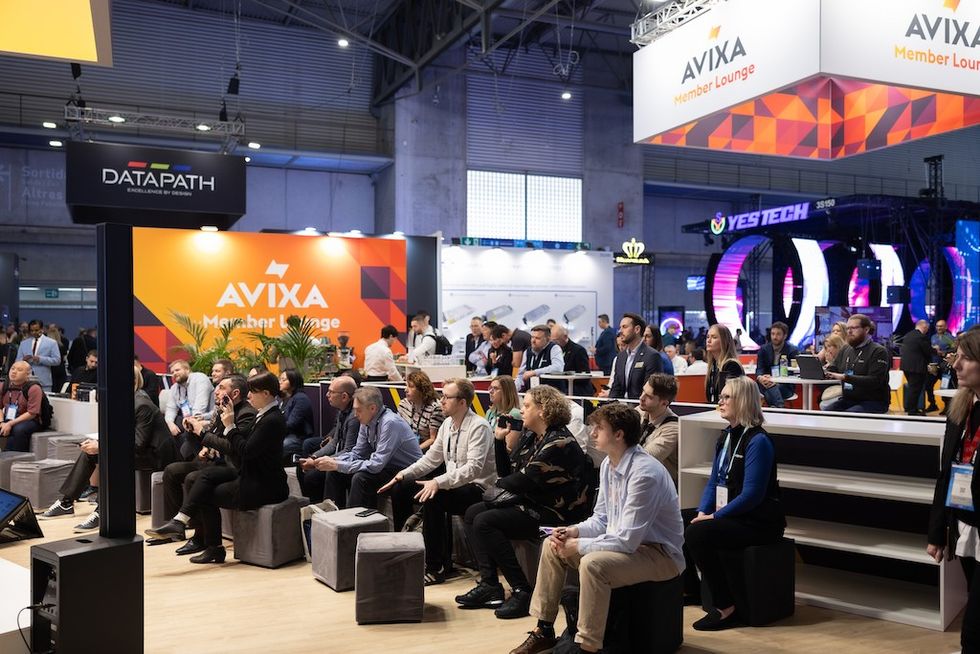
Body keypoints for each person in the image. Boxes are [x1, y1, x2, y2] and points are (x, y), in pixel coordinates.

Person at [510, 403, 684, 654]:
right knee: (552, 545)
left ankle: (587, 645)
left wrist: (579, 545)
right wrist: (573, 532)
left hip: (659, 554)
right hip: (628, 546)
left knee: (593, 564)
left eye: (599, 428)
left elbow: (627, 541)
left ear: (619, 434)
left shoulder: (645, 474)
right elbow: (602, 519)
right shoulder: (608, 465)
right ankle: (544, 629)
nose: (592, 433)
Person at [456, 385, 589, 620]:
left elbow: (518, 482)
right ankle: (490, 584)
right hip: (531, 502)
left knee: (485, 521)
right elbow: (507, 474)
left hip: (555, 512)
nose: (521, 410)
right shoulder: (532, 436)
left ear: (543, 410)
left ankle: (521, 590)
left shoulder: (559, 442)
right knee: (472, 512)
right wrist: (499, 441)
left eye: (527, 406)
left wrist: (501, 484)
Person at [153, 371, 289, 564]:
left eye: (253, 391)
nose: (249, 396)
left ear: (266, 393)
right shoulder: (263, 414)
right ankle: (182, 523)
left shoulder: (271, 419)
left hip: (265, 485)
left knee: (205, 491)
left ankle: (209, 544)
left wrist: (230, 426)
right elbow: (236, 444)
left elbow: (244, 450)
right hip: (252, 476)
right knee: (203, 478)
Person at [686, 376, 785, 631]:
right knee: (683, 520)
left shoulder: (758, 441)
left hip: (758, 522)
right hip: (733, 515)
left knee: (698, 532)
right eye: (721, 396)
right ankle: (691, 591)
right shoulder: (726, 436)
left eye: (726, 397)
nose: (720, 401)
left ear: (743, 401)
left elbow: (752, 495)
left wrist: (714, 518)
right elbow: (714, 482)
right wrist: (702, 511)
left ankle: (725, 607)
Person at [380, 378, 496, 585]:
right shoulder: (447, 425)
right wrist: (403, 474)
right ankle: (406, 548)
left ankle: (436, 567)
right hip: (453, 484)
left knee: (434, 497)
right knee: (402, 488)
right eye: (442, 396)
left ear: (462, 402)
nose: (441, 401)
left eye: (447, 397)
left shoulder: (479, 426)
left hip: (478, 488)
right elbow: (430, 459)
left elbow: (473, 469)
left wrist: (438, 482)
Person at [40, 365, 179, 531]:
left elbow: (138, 444)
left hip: (156, 455)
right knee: (89, 453)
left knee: (111, 457)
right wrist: (98, 443)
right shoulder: (123, 401)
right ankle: (66, 503)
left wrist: (102, 447)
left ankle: (104, 511)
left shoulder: (142, 405)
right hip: (142, 449)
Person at [152, 375, 256, 551]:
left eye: (221, 388)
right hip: (213, 460)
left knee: (193, 478)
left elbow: (231, 447)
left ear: (235, 393)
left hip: (231, 466)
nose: (216, 391)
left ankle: (199, 536)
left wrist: (202, 433)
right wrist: (196, 435)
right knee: (171, 471)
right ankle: (174, 528)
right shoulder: (222, 409)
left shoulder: (246, 413)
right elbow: (214, 437)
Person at [927, 328, 980, 653]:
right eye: (956, 357)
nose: (956, 365)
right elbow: (946, 472)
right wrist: (937, 532)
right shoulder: (960, 409)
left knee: (972, 630)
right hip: (964, 525)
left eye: (966, 358)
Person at [314, 386, 423, 511]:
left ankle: (355, 520)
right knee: (334, 472)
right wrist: (334, 461)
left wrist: (338, 465)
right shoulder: (367, 420)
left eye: (358, 410)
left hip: (407, 472)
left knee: (361, 478)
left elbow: (376, 465)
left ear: (372, 408)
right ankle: (333, 515)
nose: (355, 415)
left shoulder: (390, 423)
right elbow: (357, 453)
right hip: (387, 467)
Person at [297, 376, 359, 503]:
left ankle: (326, 508)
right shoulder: (342, 411)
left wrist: (319, 462)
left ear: (344, 397)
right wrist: (314, 457)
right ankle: (313, 505)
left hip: (350, 461)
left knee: (313, 476)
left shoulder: (354, 417)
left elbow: (349, 450)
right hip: (340, 456)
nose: (327, 395)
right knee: (302, 466)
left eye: (331, 392)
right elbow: (334, 443)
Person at [824, 314, 891, 413]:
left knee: (849, 416)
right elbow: (833, 368)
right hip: (848, 399)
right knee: (826, 413)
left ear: (866, 329)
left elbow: (875, 380)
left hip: (873, 401)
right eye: (848, 328)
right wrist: (822, 371)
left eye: (854, 328)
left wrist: (845, 377)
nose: (849, 331)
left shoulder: (878, 351)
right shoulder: (845, 349)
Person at [608, 313, 662, 400]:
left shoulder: (652, 356)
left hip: (641, 405)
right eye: (620, 327)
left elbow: (651, 391)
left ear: (637, 329)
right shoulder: (621, 357)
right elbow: (616, 389)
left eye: (624, 327)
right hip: (621, 406)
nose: (620, 331)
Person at [638, 372, 680, 483]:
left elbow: (643, 460)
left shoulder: (673, 429)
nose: (641, 398)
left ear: (664, 403)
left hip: (660, 485)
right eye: (643, 391)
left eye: (649, 397)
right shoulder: (639, 412)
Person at [0, 361, 45, 452]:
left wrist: (10, 424)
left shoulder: (34, 388)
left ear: (27, 374)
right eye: (12, 368)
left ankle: (16, 456)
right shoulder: (3, 386)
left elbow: (32, 413)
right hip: (10, 417)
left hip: (30, 420)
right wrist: (1, 422)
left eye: (19, 370)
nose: (14, 372)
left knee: (18, 429)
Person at [163, 360, 214, 438]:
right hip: (187, 420)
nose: (174, 373)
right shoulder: (174, 388)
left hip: (205, 419)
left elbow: (200, 408)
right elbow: (171, 409)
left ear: (187, 370)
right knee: (166, 430)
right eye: (172, 372)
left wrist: (191, 422)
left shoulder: (200, 379)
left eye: (177, 370)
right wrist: (170, 424)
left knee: (184, 437)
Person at [755, 322, 800, 408]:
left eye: (778, 334)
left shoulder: (792, 350)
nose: (774, 337)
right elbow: (759, 369)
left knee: (770, 392)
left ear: (785, 336)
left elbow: (791, 372)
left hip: (784, 385)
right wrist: (761, 378)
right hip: (765, 383)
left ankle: (779, 407)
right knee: (764, 388)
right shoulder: (764, 349)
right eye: (773, 334)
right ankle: (780, 408)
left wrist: (775, 381)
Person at [398, 370, 444, 452]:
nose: (406, 390)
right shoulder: (404, 404)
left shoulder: (435, 408)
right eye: (406, 386)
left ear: (422, 390)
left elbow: (433, 439)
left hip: (425, 451)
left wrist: (413, 451)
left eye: (411, 386)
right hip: (407, 447)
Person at [515, 324, 565, 393]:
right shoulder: (527, 352)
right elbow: (521, 375)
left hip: (552, 394)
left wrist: (535, 372)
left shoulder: (554, 348)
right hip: (532, 394)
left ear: (548, 339)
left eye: (537, 338)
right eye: (532, 337)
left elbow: (558, 368)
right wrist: (513, 390)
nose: (533, 341)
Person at [15, 319, 61, 391]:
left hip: (44, 382)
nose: (34, 332)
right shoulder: (23, 343)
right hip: (25, 381)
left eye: (36, 330)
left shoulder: (51, 343)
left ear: (42, 329)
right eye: (31, 331)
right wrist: (23, 360)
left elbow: (57, 360)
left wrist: (40, 359)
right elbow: (17, 361)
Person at [704, 324, 744, 404]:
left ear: (724, 341)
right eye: (708, 337)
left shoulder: (732, 365)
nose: (709, 340)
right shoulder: (713, 366)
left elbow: (730, 399)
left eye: (714, 337)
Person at [280, 368, 314, 462]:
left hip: (298, 437)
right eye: (280, 379)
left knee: (275, 447)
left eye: (284, 380)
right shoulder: (286, 398)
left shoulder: (301, 398)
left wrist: (275, 430)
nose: (280, 382)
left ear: (293, 381)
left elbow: (292, 424)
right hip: (287, 435)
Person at [901, 320, 934, 416]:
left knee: (912, 388)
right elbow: (927, 351)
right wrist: (936, 351)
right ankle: (912, 410)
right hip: (917, 367)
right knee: (915, 389)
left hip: (906, 366)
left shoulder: (907, 335)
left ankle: (910, 408)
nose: (927, 331)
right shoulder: (921, 337)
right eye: (927, 329)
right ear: (924, 327)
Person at [551, 324, 593, 397]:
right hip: (560, 389)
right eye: (552, 340)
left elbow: (585, 375)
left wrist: (566, 377)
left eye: (556, 340)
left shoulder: (578, 351)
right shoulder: (553, 351)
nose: (554, 343)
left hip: (576, 391)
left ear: (565, 336)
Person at [46, 324, 68, 393]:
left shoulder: (47, 346)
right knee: (60, 389)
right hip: (61, 368)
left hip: (51, 369)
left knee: (52, 390)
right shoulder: (63, 345)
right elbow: (64, 356)